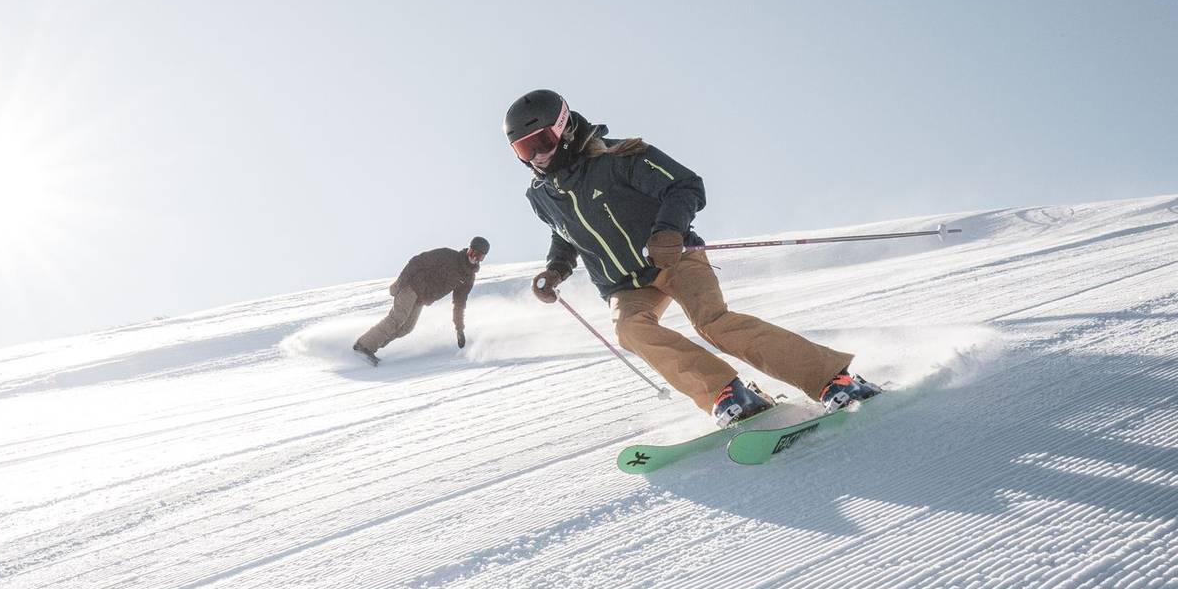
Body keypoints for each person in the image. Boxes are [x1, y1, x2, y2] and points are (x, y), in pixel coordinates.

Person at [504, 89, 881, 425]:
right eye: (524, 149)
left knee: (714, 323)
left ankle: (833, 378)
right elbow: (565, 233)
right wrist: (556, 269)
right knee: (630, 329)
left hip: (673, 258)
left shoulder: (620, 157)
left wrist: (667, 230)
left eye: (543, 141)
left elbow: (685, 185)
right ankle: (728, 393)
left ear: (565, 127)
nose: (537, 156)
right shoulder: (541, 195)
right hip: (623, 284)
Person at [352, 236, 489, 366]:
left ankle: (371, 348)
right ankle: (363, 346)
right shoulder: (448, 256)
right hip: (412, 286)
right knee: (397, 319)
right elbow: (417, 261)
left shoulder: (468, 278)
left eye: (479, 256)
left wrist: (459, 330)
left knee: (406, 328)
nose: (474, 258)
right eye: (472, 252)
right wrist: (400, 283)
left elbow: (459, 304)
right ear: (468, 249)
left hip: (421, 300)